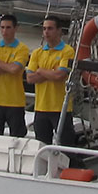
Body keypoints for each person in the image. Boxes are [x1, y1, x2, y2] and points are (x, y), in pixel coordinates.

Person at [26, 14, 75, 148]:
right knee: (42, 145)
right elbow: (30, 78)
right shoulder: (37, 53)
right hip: (41, 107)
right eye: (44, 29)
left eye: (50, 29)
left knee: (66, 146)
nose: (46, 32)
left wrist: (41, 71)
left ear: (59, 30)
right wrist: (50, 72)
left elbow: (60, 75)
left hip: (61, 108)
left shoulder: (67, 51)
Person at [0, 13, 31, 138]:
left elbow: (15, 69)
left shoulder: (22, 49)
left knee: (17, 138)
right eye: (2, 27)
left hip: (15, 102)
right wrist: (7, 66)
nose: (4, 31)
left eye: (8, 27)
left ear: (15, 28)